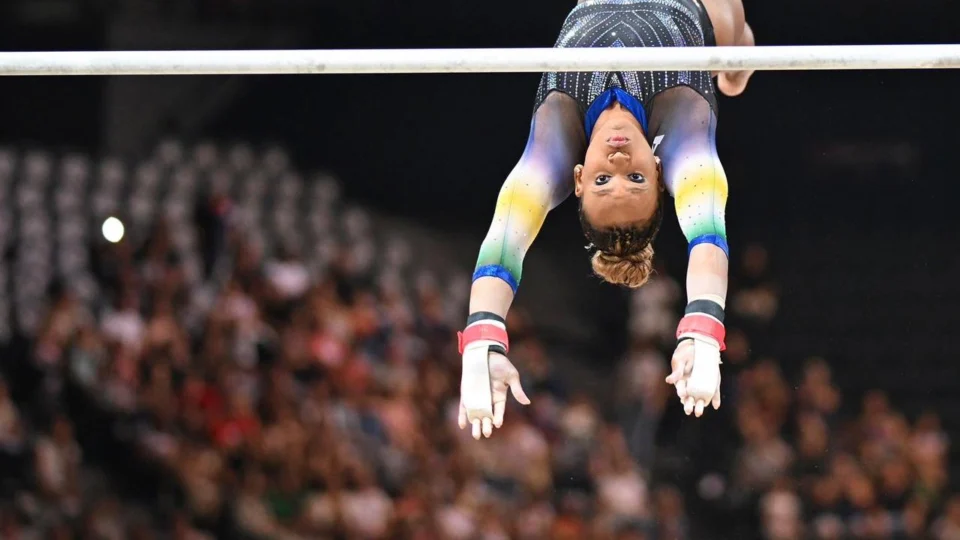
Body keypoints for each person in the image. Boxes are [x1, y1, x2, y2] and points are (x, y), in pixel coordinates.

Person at [457, 0, 755, 439]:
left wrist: (482, 337)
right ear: (660, 173)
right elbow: (707, 234)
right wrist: (704, 327)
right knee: (733, 50)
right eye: (636, 178)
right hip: (701, 9)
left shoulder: (556, 142)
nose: (618, 160)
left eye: (601, 180)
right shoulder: (683, 130)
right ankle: (738, 66)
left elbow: (505, 238)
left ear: (578, 178)